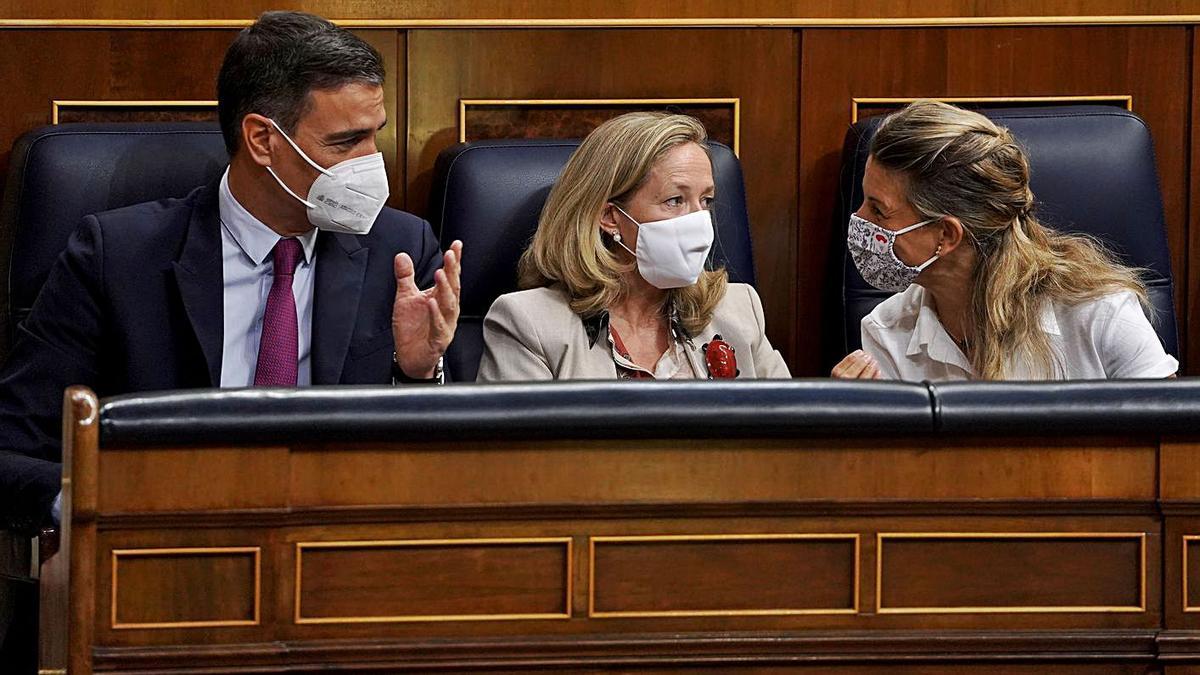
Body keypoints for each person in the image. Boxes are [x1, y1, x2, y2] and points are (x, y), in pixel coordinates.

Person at [0, 11, 463, 533]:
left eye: (373, 136)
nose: (371, 163)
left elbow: (443, 471)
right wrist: (104, 510)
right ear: (262, 139)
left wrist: (416, 372)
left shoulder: (398, 250)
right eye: (345, 143)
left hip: (339, 556)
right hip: (170, 556)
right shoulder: (117, 258)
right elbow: (14, 449)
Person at [833, 100, 1177, 381]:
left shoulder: (1100, 312)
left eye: (878, 210)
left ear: (947, 234)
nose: (859, 220)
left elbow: (1168, 450)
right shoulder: (886, 332)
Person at [477, 112, 788, 381]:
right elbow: (521, 450)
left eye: (705, 200)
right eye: (675, 200)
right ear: (610, 217)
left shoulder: (737, 309)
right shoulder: (530, 323)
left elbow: (790, 435)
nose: (699, 220)